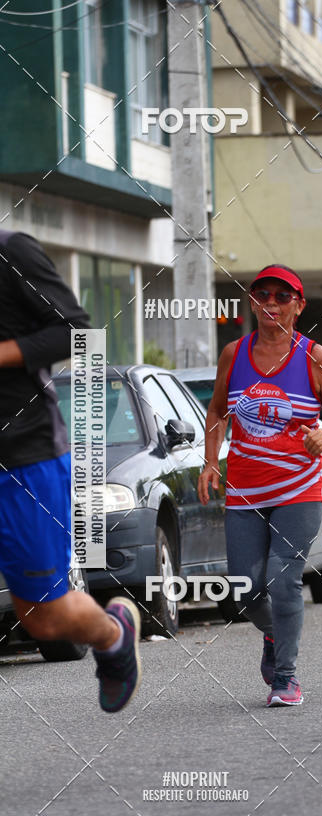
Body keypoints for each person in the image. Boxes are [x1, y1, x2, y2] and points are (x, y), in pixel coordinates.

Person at [198, 264, 322, 706]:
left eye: (281, 296)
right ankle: (274, 634)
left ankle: (285, 679)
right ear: (252, 302)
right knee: (245, 587)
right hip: (246, 490)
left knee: (283, 578)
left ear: (298, 305)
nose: (270, 303)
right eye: (261, 295)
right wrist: (211, 461)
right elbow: (217, 411)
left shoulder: (314, 358)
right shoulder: (234, 353)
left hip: (299, 487)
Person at [0, 229, 141, 713]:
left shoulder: (11, 250)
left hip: (24, 458)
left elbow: (73, 328)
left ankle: (112, 633)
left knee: (45, 619)